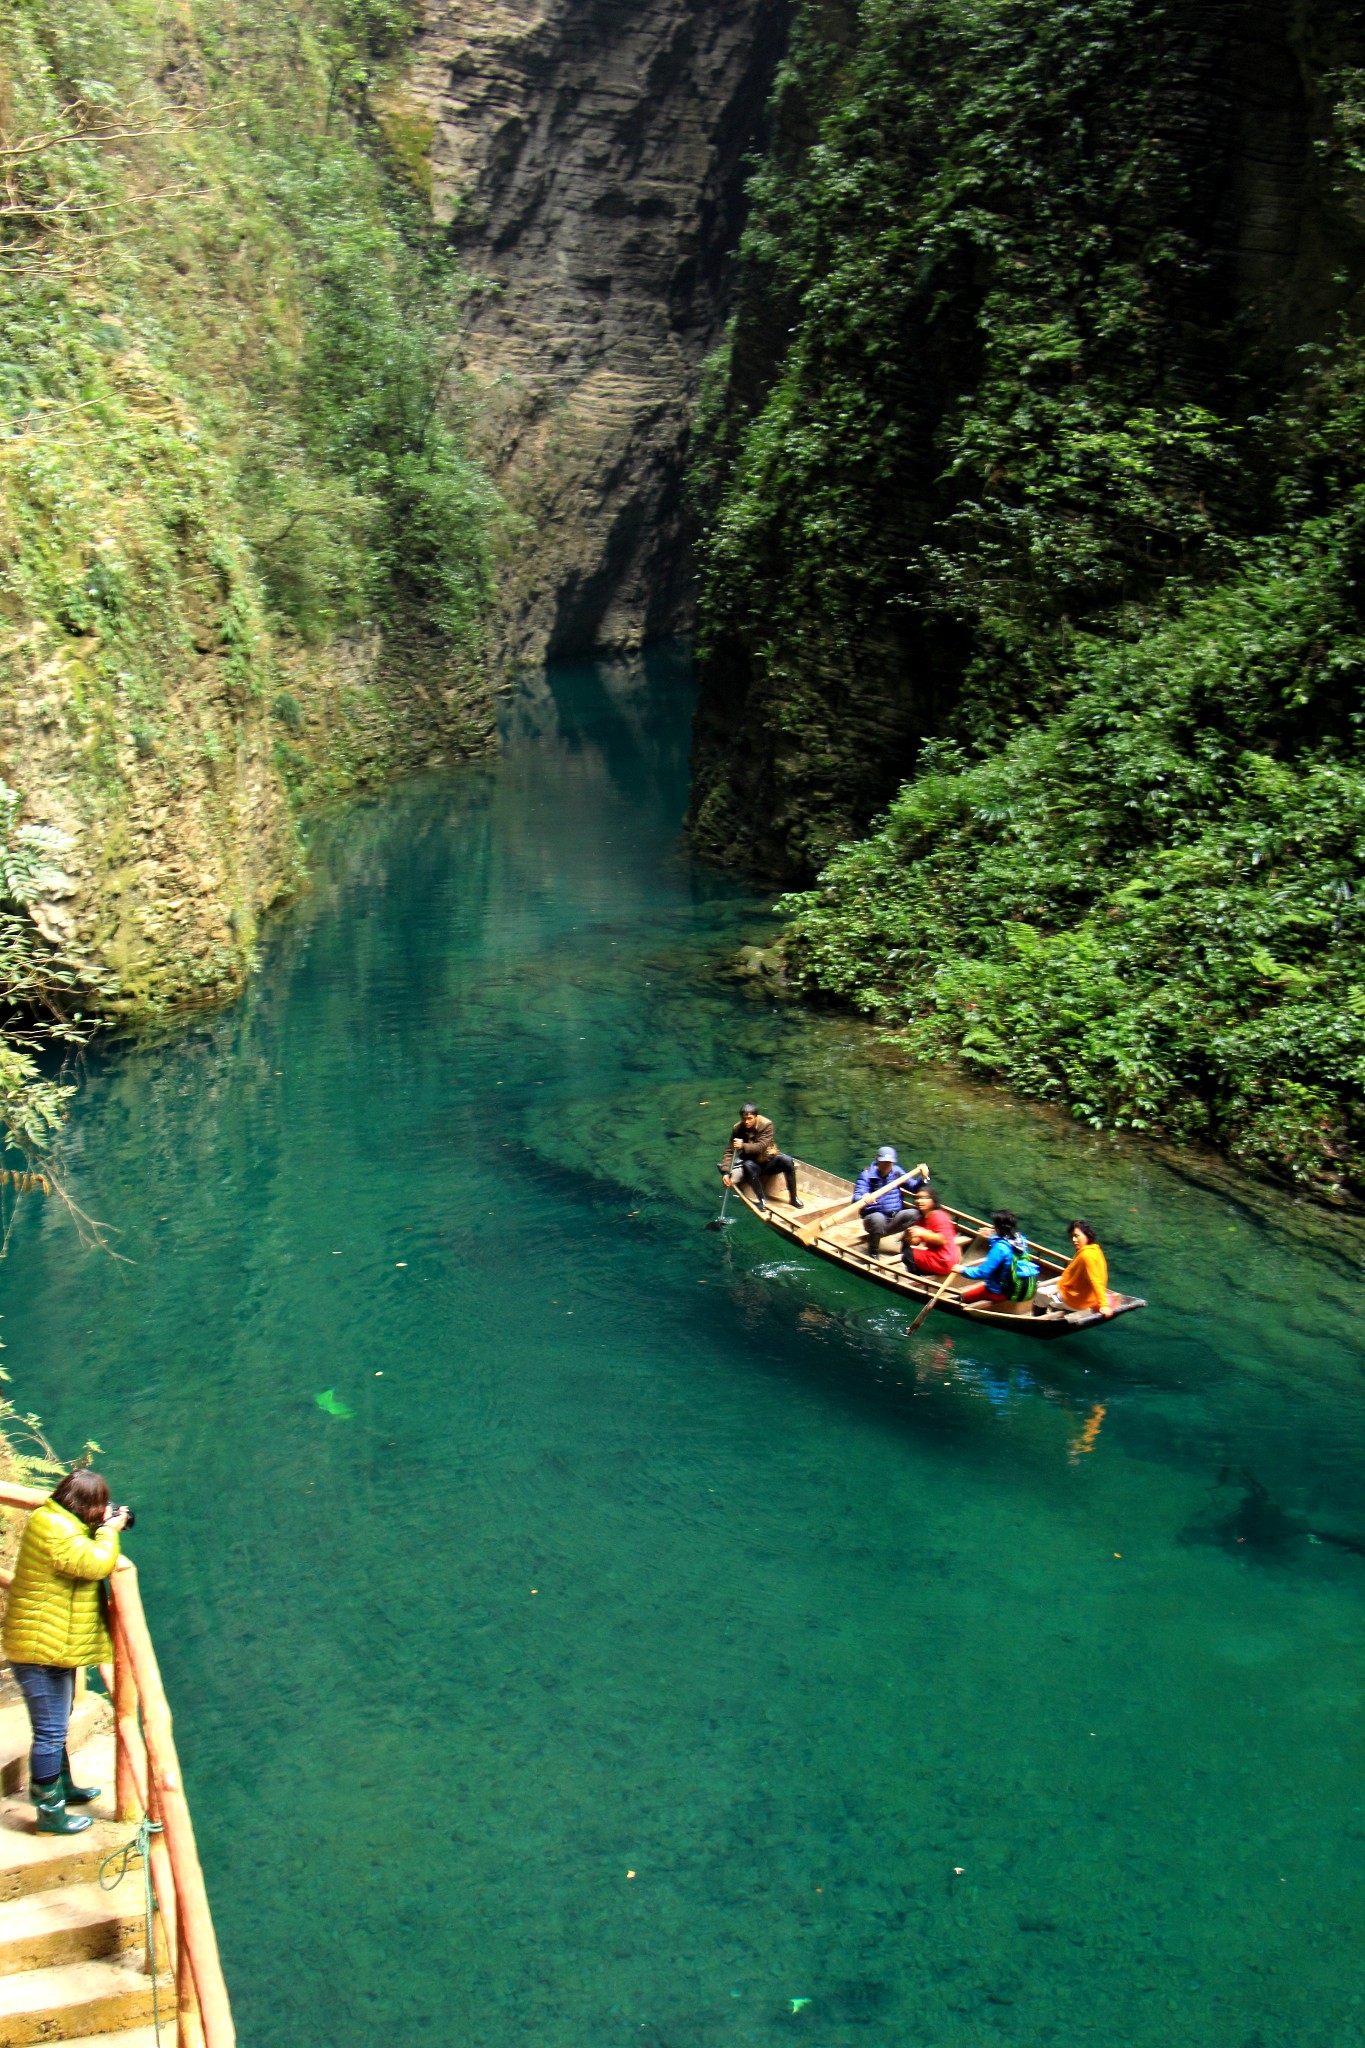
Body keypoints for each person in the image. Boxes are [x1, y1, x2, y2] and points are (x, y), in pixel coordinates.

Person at [3, 1469, 128, 1834]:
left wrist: (101, 1525)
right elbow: (93, 1563)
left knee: (58, 1720)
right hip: (38, 1649)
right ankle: (48, 1812)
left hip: (51, 1644)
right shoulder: (56, 1530)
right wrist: (109, 1530)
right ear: (86, 1505)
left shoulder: (56, 1518)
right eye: (100, 1504)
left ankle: (63, 1786)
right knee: (50, 1732)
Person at [720, 1103, 803, 1211]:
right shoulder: (737, 1128)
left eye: (750, 1118)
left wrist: (743, 1146)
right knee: (747, 1165)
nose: (746, 1122)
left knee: (787, 1160)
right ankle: (762, 1200)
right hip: (753, 1165)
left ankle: (793, 1198)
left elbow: (761, 1146)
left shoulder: (767, 1124)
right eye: (744, 1119)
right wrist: (726, 1172)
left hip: (769, 1161)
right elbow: (729, 1151)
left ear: (756, 1117)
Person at [853, 1147, 929, 1257]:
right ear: (878, 1160)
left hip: (894, 1217)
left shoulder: (897, 1172)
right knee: (877, 1219)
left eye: (889, 1163)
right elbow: (856, 1197)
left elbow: (914, 1188)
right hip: (874, 1220)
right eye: (884, 1162)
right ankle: (873, 1252)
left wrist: (924, 1178)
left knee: (915, 1214)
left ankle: (905, 1246)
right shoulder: (867, 1175)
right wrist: (864, 1197)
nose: (886, 1165)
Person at [956, 1209, 1039, 1305]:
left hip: (999, 1290)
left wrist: (962, 1270)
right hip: (1014, 1285)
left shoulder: (1000, 1248)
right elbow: (1005, 1244)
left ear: (997, 1227)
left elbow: (982, 1273)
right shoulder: (1020, 1239)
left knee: (962, 1299)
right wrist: (992, 1234)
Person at [1037, 1219, 1115, 1317]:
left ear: (1087, 1235)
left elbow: (1095, 1281)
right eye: (1072, 1236)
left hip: (1078, 1301)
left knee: (1039, 1292)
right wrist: (1058, 1288)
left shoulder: (1086, 1256)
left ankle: (1039, 1317)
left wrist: (1104, 1304)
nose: (1074, 1240)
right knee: (1052, 1287)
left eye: (1077, 1236)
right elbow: (1069, 1272)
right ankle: (1055, 1304)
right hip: (1089, 1297)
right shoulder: (1095, 1249)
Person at [902, 1185, 959, 1277]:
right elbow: (915, 1242)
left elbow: (942, 1239)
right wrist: (908, 1234)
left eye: (924, 1198)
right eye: (917, 1198)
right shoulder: (922, 1219)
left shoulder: (939, 1216)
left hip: (943, 1260)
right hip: (939, 1258)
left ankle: (915, 1278)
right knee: (906, 1250)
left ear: (933, 1200)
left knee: (907, 1255)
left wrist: (923, 1232)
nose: (919, 1201)